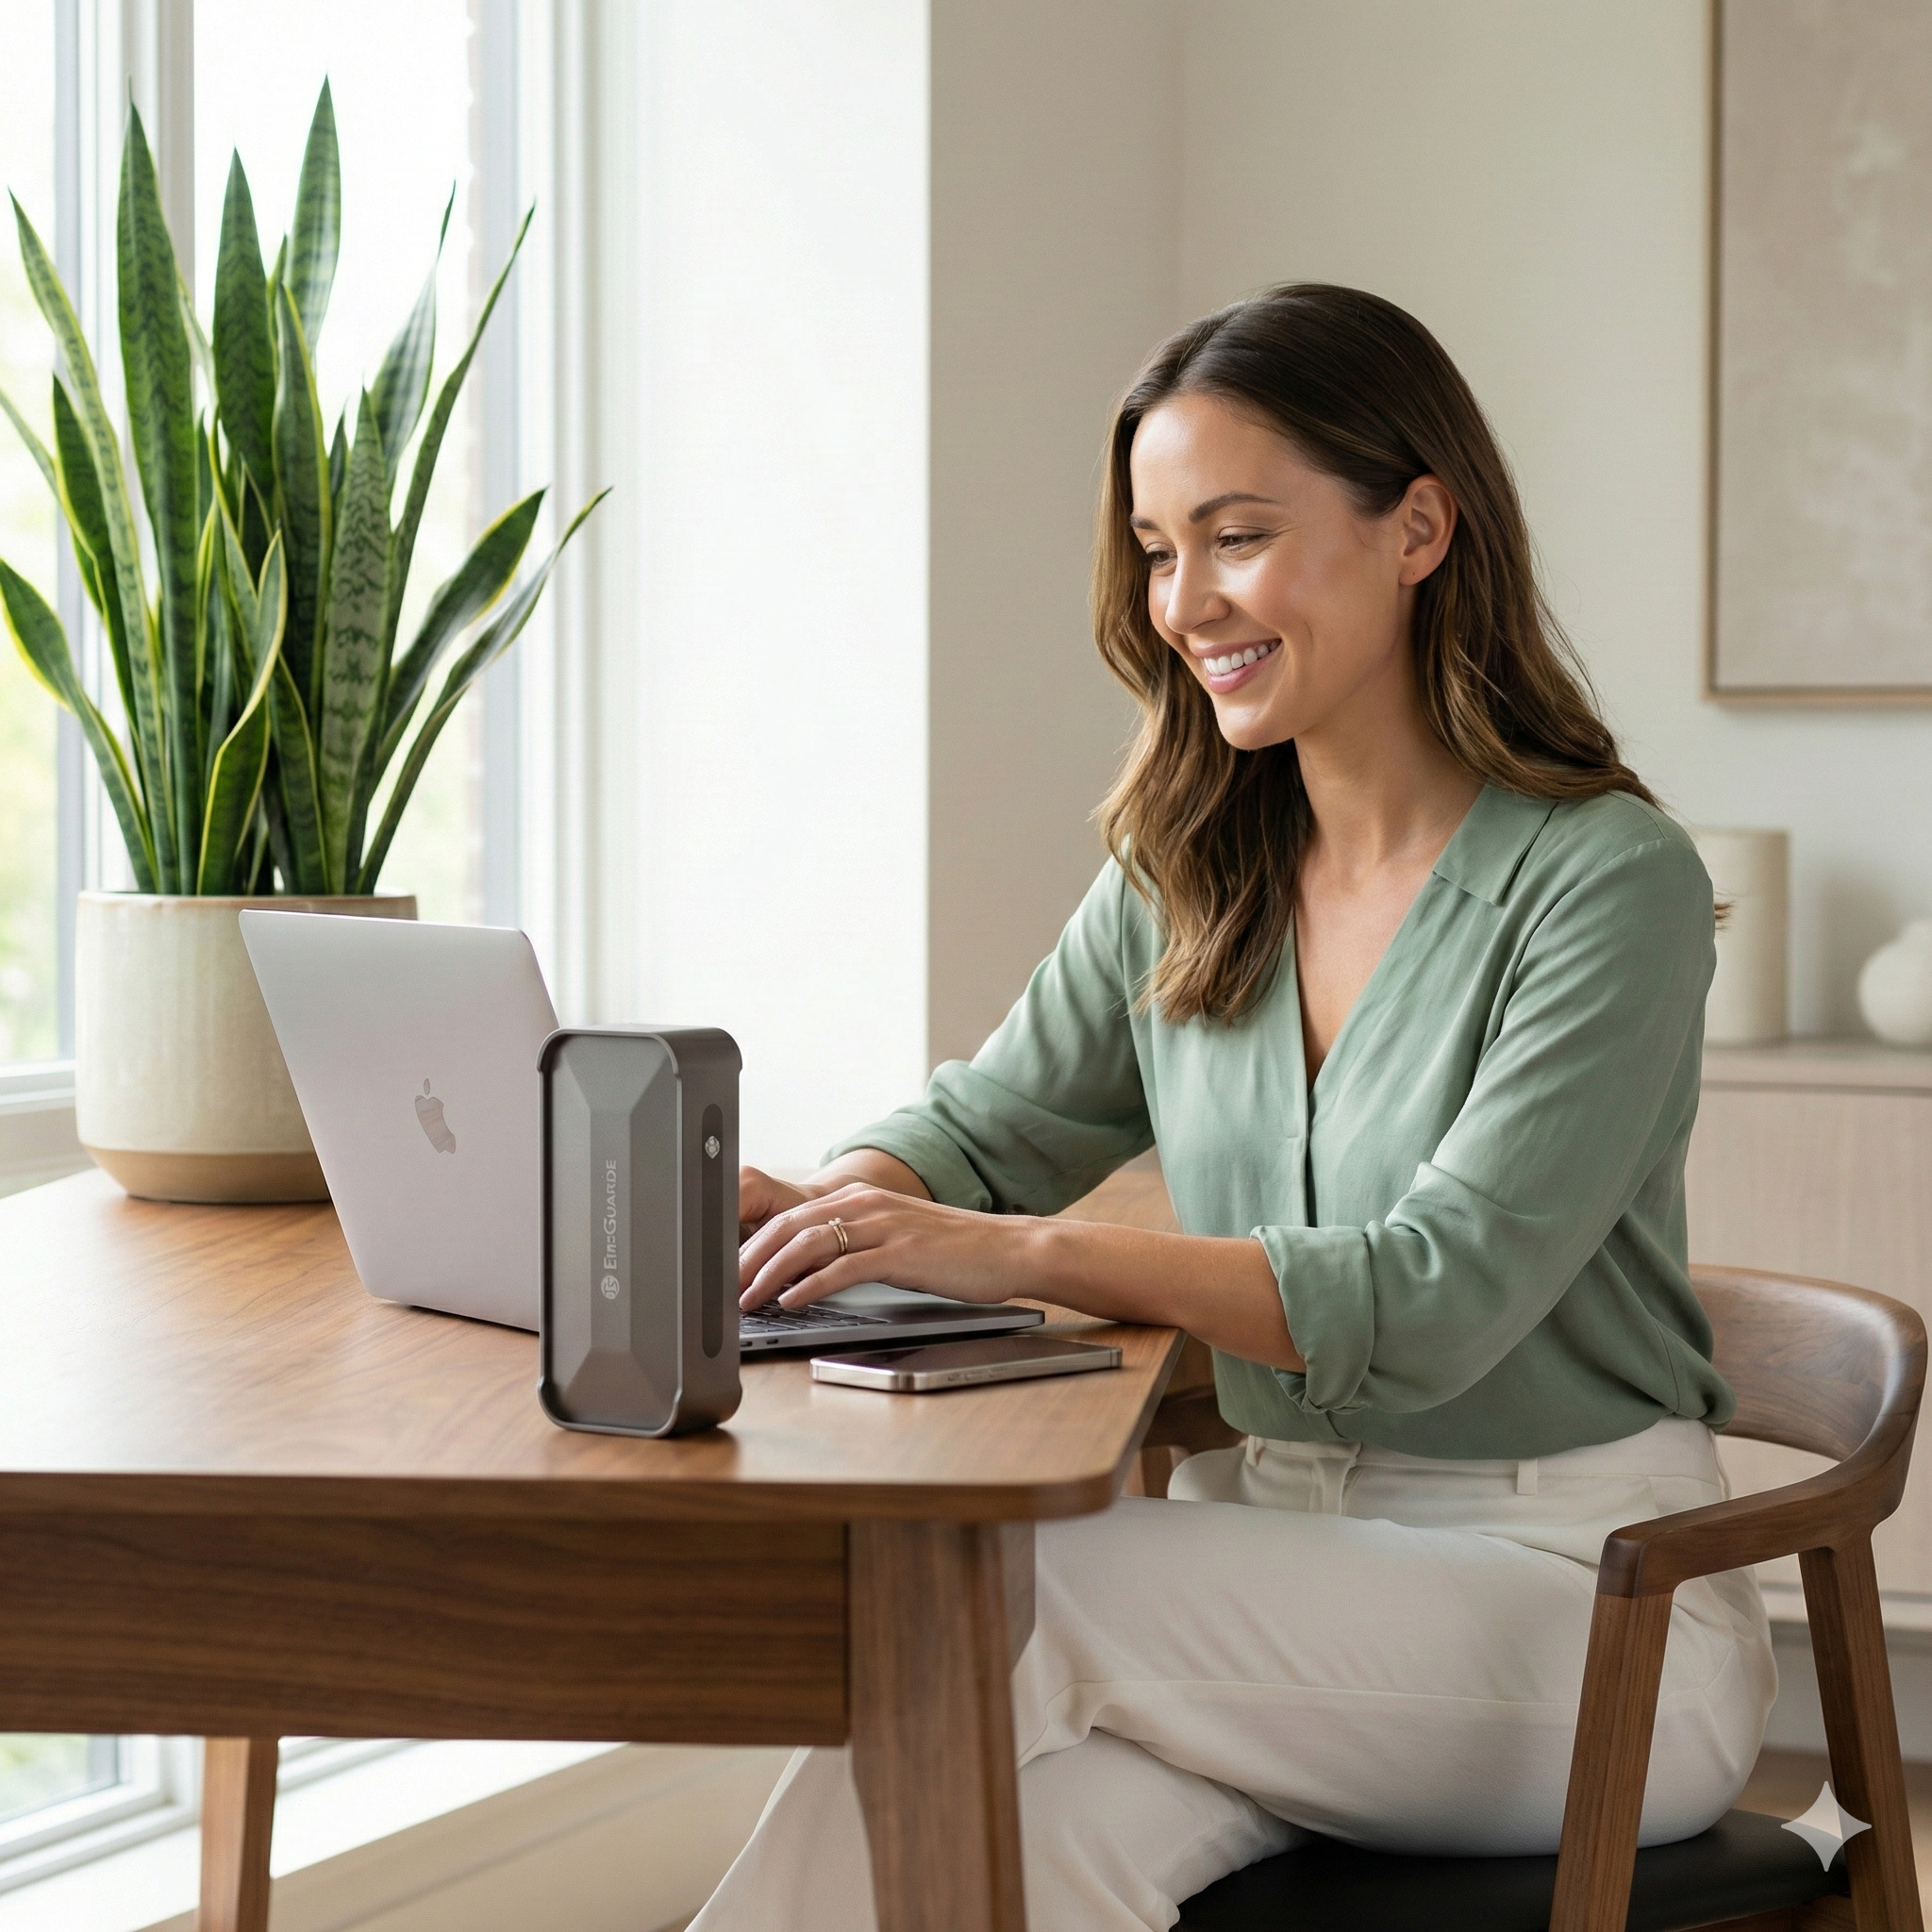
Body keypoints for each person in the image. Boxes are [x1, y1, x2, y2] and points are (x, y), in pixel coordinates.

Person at [691, 284, 1774, 1932]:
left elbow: (1436, 1294)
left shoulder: (1604, 883)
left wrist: (1014, 1254)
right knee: (996, 1851)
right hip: (1270, 1581)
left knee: (1015, 1593)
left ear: (1419, 528)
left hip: (1583, 1616)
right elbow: (985, 1124)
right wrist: (840, 1207)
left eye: (1238, 535)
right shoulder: (1193, 864)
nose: (1185, 599)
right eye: (1153, 546)